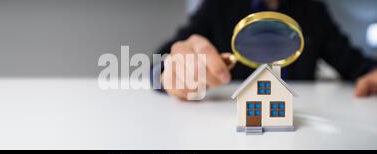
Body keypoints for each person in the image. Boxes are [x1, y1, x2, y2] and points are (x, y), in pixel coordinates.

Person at [151, 0, 377, 100]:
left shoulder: (314, 11)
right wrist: (169, 73)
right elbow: (158, 62)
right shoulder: (217, 5)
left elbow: (356, 64)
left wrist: (372, 72)